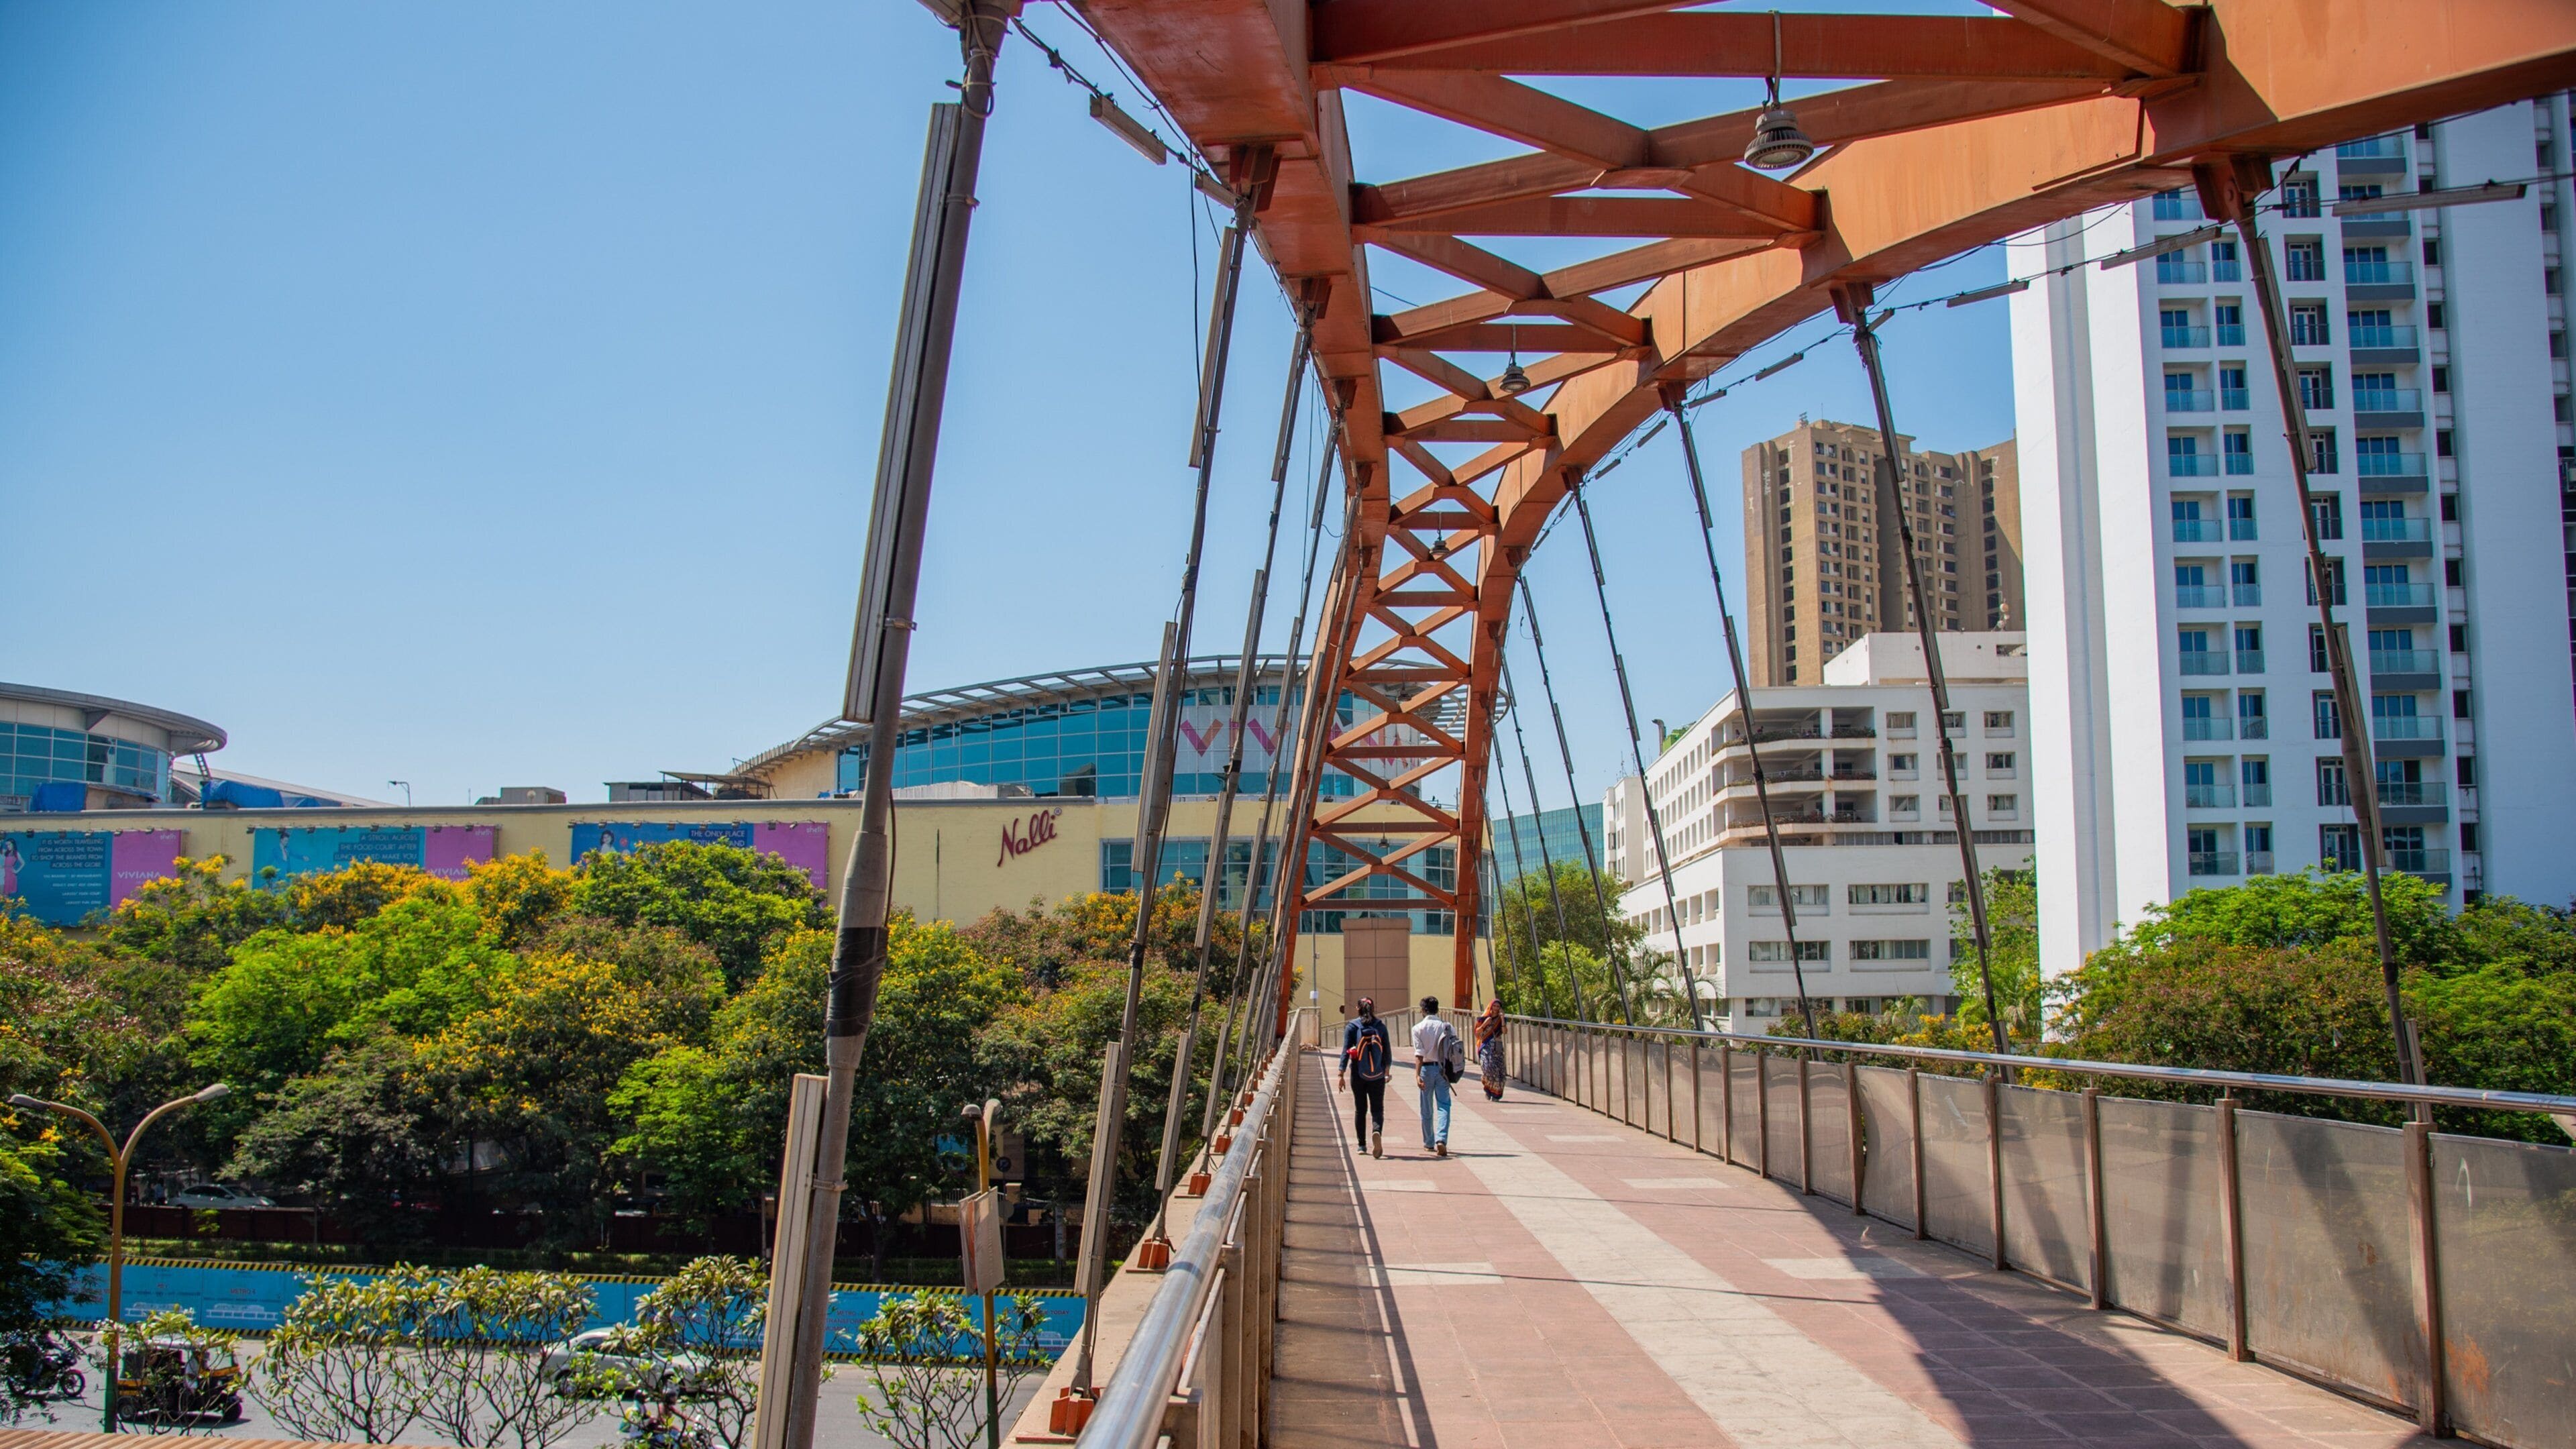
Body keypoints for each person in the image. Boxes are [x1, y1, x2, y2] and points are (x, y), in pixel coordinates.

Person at [1337, 997, 1391, 1159]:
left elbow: (1345, 1052)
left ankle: (1361, 1145)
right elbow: (1387, 1053)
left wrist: (1341, 1074)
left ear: (1358, 1009)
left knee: (1360, 1110)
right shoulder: (1380, 1027)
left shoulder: (1353, 1027)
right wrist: (1386, 1072)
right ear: (1373, 1009)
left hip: (1358, 1074)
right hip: (1378, 1075)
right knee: (1377, 1109)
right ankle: (1376, 1131)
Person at [1412, 996, 1462, 1157]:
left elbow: (1419, 1054)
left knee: (1426, 1108)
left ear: (1423, 1010)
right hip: (1443, 1071)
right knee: (1444, 1105)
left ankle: (1428, 1143)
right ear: (1438, 1009)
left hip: (1426, 1069)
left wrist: (1417, 1075)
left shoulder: (1418, 1028)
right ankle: (1442, 1139)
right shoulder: (1447, 1027)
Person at [1474, 999, 1507, 1102]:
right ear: (1491, 1007)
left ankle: (1496, 1094)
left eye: (1498, 1007)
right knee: (1487, 1067)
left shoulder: (1500, 1019)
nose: (1496, 1009)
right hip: (1485, 1046)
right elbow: (1477, 1033)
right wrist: (1485, 1024)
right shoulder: (1483, 1019)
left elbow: (1504, 1032)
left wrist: (1502, 1019)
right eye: (1494, 1006)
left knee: (1498, 1070)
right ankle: (1488, 1088)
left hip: (1497, 1047)